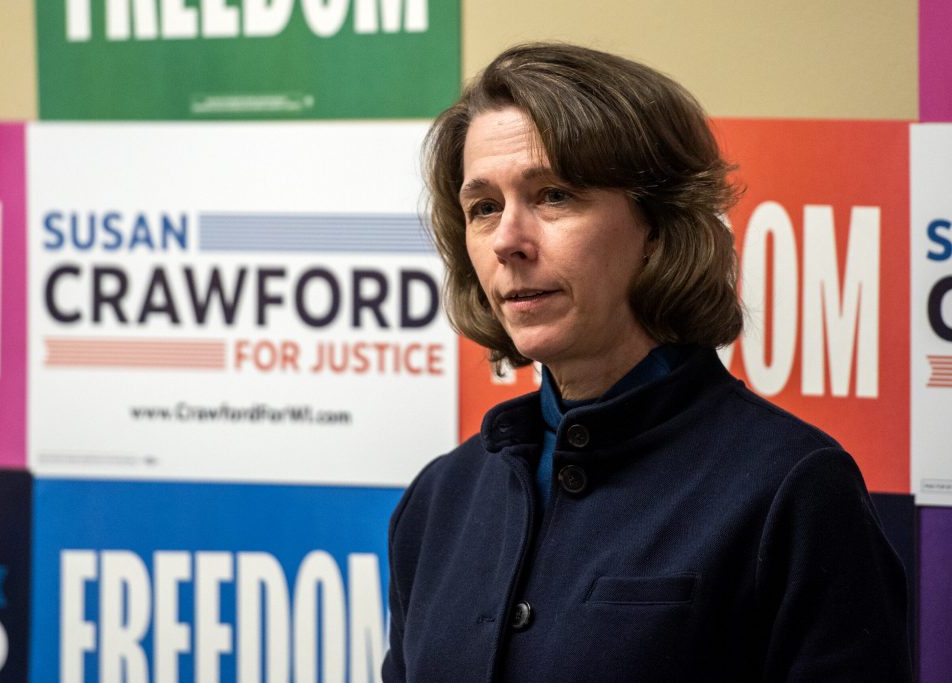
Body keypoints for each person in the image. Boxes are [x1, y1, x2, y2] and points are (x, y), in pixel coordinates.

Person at [382, 43, 912, 682]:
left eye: (553, 195)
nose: (507, 241)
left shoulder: (792, 491)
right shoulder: (441, 499)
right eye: (484, 207)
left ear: (660, 226)